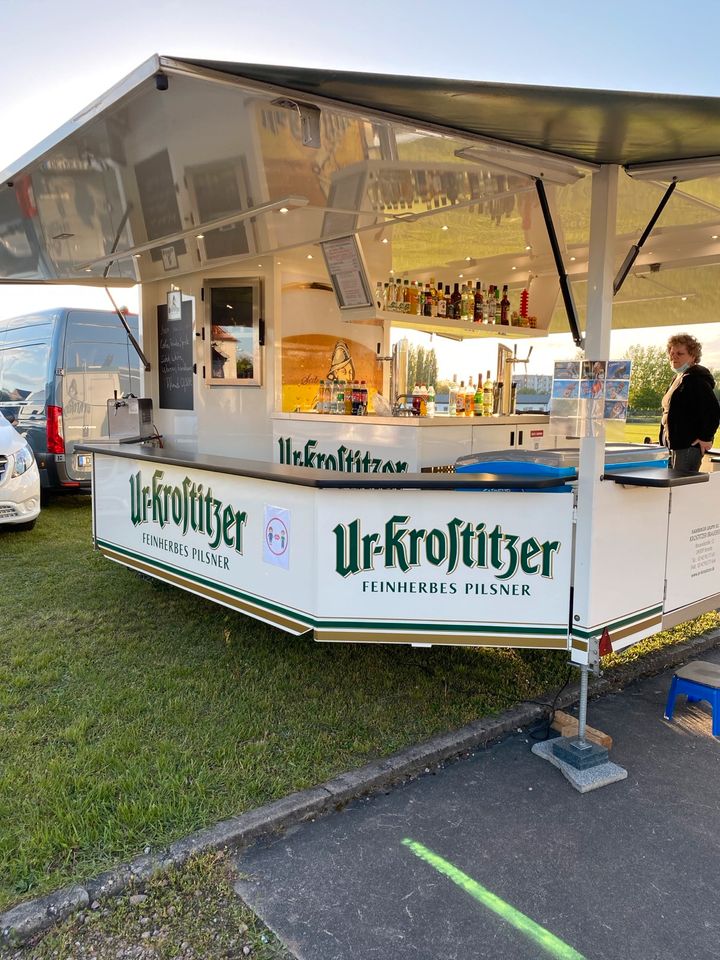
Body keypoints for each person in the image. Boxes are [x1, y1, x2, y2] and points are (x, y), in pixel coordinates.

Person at [660, 333, 720, 472]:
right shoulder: (678, 377)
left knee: (681, 490)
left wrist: (706, 437)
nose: (673, 356)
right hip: (673, 445)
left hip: (687, 447)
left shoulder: (696, 379)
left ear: (693, 356)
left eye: (680, 353)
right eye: (672, 352)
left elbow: (712, 411)